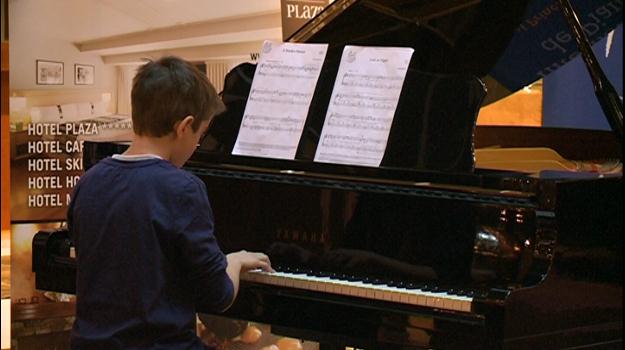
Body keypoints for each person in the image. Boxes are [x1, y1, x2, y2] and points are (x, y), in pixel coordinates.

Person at [67, 55, 273, 349]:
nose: (196, 146)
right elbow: (219, 296)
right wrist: (234, 261)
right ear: (184, 127)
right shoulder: (182, 188)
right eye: (200, 136)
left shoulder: (89, 182)